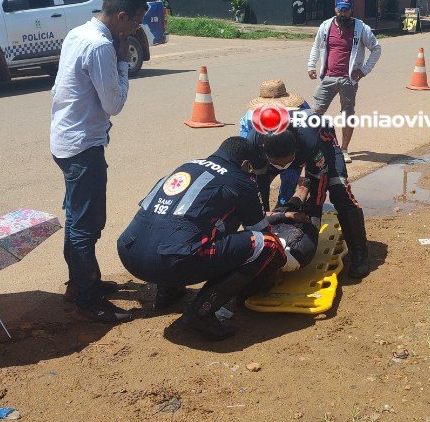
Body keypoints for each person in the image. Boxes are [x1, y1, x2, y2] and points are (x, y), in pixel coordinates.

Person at [117, 137, 292, 340]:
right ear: (246, 164)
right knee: (267, 245)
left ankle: (168, 291)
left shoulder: (187, 166)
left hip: (129, 252)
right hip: (170, 262)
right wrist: (281, 263)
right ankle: (200, 313)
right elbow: (261, 232)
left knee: (195, 224)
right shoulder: (240, 181)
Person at [50, 0, 148, 323]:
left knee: (78, 218)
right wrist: (123, 62)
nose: (136, 31)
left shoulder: (80, 31)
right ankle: (89, 300)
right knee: (86, 224)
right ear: (121, 17)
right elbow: (114, 104)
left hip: (65, 139)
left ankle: (79, 284)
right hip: (82, 145)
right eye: (135, 24)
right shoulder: (101, 46)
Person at [246, 109, 370, 279]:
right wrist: (264, 221)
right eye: (277, 163)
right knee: (253, 200)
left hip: (325, 145)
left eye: (288, 162)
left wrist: (314, 215)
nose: (283, 167)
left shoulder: (311, 142)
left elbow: (320, 180)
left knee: (339, 190)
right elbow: (258, 187)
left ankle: (359, 253)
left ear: (296, 151)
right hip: (288, 153)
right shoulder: (253, 144)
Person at [307, 0, 382, 161]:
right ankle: (313, 147)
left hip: (349, 80)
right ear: (335, 9)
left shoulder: (361, 28)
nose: (343, 13)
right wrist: (311, 65)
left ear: (351, 10)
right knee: (316, 112)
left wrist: (363, 71)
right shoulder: (325, 26)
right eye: (340, 10)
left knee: (347, 114)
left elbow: (376, 49)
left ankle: (344, 149)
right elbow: (316, 46)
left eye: (346, 10)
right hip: (328, 77)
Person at [238, 79, 310, 208]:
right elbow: (246, 139)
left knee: (290, 177)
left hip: (291, 150)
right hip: (264, 150)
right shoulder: (251, 117)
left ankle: (283, 206)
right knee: (261, 182)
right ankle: (265, 208)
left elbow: (308, 132)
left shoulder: (301, 110)